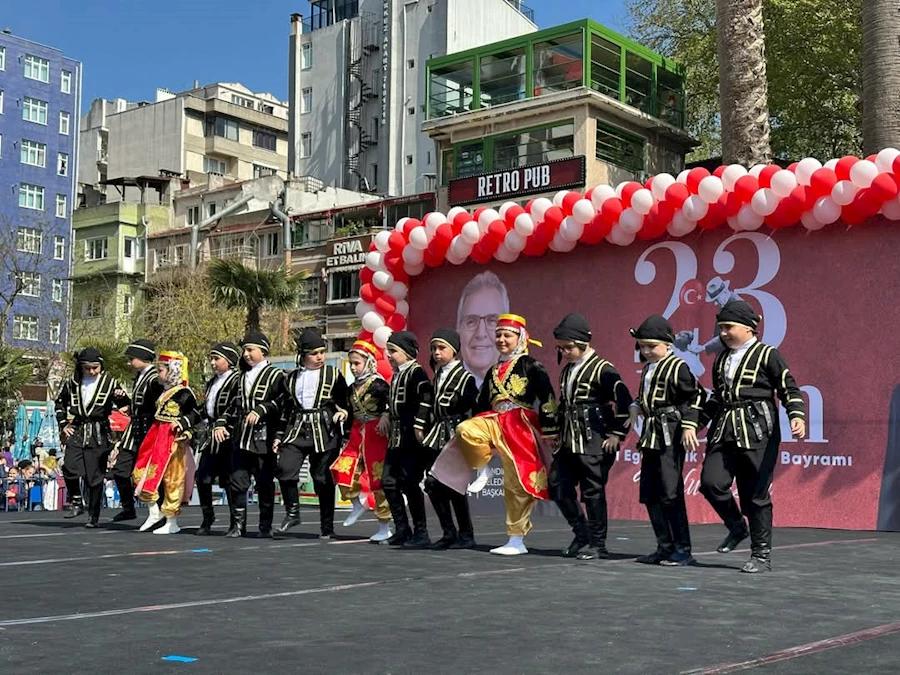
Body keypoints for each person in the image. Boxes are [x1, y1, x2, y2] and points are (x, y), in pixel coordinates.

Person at [433, 314, 558, 556]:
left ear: (520, 338)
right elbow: (481, 403)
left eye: (507, 335)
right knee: (465, 430)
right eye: (498, 335)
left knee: (516, 484)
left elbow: (547, 397)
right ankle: (482, 468)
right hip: (495, 420)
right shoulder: (493, 370)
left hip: (520, 425)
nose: (501, 339)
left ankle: (516, 539)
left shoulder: (530, 365)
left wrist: (550, 429)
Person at [699, 300, 806, 573]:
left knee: (755, 494)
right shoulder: (721, 358)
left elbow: (788, 388)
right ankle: (737, 527)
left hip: (758, 431)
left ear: (748, 328)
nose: (723, 333)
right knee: (711, 483)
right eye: (721, 328)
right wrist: (695, 424)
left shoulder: (768, 354)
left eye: (728, 327)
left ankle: (761, 555)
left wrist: (796, 415)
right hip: (724, 429)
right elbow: (717, 396)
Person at [549, 313, 632, 561]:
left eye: (568, 347)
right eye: (561, 348)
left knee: (592, 492)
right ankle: (582, 533)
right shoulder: (567, 371)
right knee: (556, 485)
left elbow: (625, 401)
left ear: (583, 343)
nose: (564, 352)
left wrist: (617, 434)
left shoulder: (603, 369)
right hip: (568, 441)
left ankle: (597, 544)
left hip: (593, 439)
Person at [628, 315, 706, 566]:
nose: (646, 351)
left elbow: (696, 397)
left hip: (669, 434)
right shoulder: (649, 368)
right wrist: (635, 406)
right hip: (651, 435)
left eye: (651, 346)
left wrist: (689, 426)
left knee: (670, 491)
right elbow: (646, 397)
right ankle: (664, 546)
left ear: (668, 345)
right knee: (650, 492)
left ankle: (682, 549)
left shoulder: (678, 367)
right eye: (642, 346)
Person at [274, 330, 348, 539]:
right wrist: (279, 435)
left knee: (322, 478)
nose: (319, 357)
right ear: (303, 355)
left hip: (325, 430)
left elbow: (345, 400)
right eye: (314, 353)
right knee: (285, 467)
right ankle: (292, 513)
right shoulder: (291, 379)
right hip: (297, 429)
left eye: (322, 352)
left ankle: (327, 525)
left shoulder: (333, 374)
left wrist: (343, 413)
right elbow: (285, 410)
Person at [215, 331, 285, 539]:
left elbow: (282, 403)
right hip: (241, 436)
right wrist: (221, 423)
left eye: (250, 349)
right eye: (244, 350)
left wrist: (262, 409)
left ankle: (265, 525)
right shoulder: (241, 377)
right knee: (237, 480)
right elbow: (233, 406)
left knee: (264, 482)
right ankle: (238, 525)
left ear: (263, 351)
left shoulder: (275, 375)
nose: (246, 354)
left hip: (264, 437)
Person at [55, 348, 129, 526]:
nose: (92, 371)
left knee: (94, 477)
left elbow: (126, 405)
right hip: (78, 428)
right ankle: (76, 501)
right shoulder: (73, 383)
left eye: (95, 367)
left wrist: (121, 397)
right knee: (69, 466)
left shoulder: (110, 383)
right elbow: (59, 402)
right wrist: (64, 424)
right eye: (88, 368)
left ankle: (93, 515)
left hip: (99, 432)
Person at [420, 329, 480, 550]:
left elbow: (473, 408)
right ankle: (449, 532)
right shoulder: (438, 375)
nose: (436, 352)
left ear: (454, 350)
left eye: (441, 348)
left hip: (454, 435)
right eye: (433, 348)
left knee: (453, 486)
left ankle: (465, 534)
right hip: (436, 434)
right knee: (433, 485)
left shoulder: (465, 378)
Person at [330, 339, 394, 543]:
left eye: (357, 363)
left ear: (369, 362)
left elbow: (392, 404)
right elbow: (349, 412)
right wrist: (344, 419)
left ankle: (384, 526)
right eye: (351, 364)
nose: (353, 368)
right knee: (340, 469)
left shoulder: (379, 385)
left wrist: (386, 415)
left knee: (378, 480)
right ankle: (357, 503)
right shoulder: (351, 389)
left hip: (376, 434)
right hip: (357, 434)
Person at [132, 351, 198, 535]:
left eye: (161, 370)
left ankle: (171, 520)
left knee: (172, 478)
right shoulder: (160, 389)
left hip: (172, 438)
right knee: (142, 470)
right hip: (156, 434)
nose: (158, 374)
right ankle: (154, 511)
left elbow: (194, 414)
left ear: (173, 371)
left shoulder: (184, 393)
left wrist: (182, 425)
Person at [380, 331, 433, 548]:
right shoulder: (397, 374)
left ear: (408, 353)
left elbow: (426, 399)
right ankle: (402, 529)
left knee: (410, 483)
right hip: (395, 438)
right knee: (388, 481)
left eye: (393, 351)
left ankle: (421, 533)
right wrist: (386, 413)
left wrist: (419, 425)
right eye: (388, 351)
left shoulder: (416, 373)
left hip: (411, 437)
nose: (389, 356)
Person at [190, 342, 241, 536]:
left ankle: (236, 522)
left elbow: (236, 406)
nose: (212, 363)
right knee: (202, 477)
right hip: (212, 436)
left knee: (229, 480)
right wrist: (186, 421)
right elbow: (205, 409)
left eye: (216, 359)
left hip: (229, 435)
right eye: (211, 359)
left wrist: (222, 422)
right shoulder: (212, 382)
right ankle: (208, 516)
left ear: (229, 360)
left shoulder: (237, 380)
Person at [111, 339, 163, 523]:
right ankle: (128, 507)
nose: (128, 363)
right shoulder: (140, 376)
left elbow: (157, 404)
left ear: (143, 358)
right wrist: (125, 402)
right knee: (120, 470)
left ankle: (160, 512)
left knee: (153, 473)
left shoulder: (154, 378)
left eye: (131, 359)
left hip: (149, 430)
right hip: (133, 431)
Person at [456, 271, 509, 388]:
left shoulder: (526, 388)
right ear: (458, 330)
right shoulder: (440, 387)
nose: (480, 333)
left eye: (492, 321)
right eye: (471, 321)